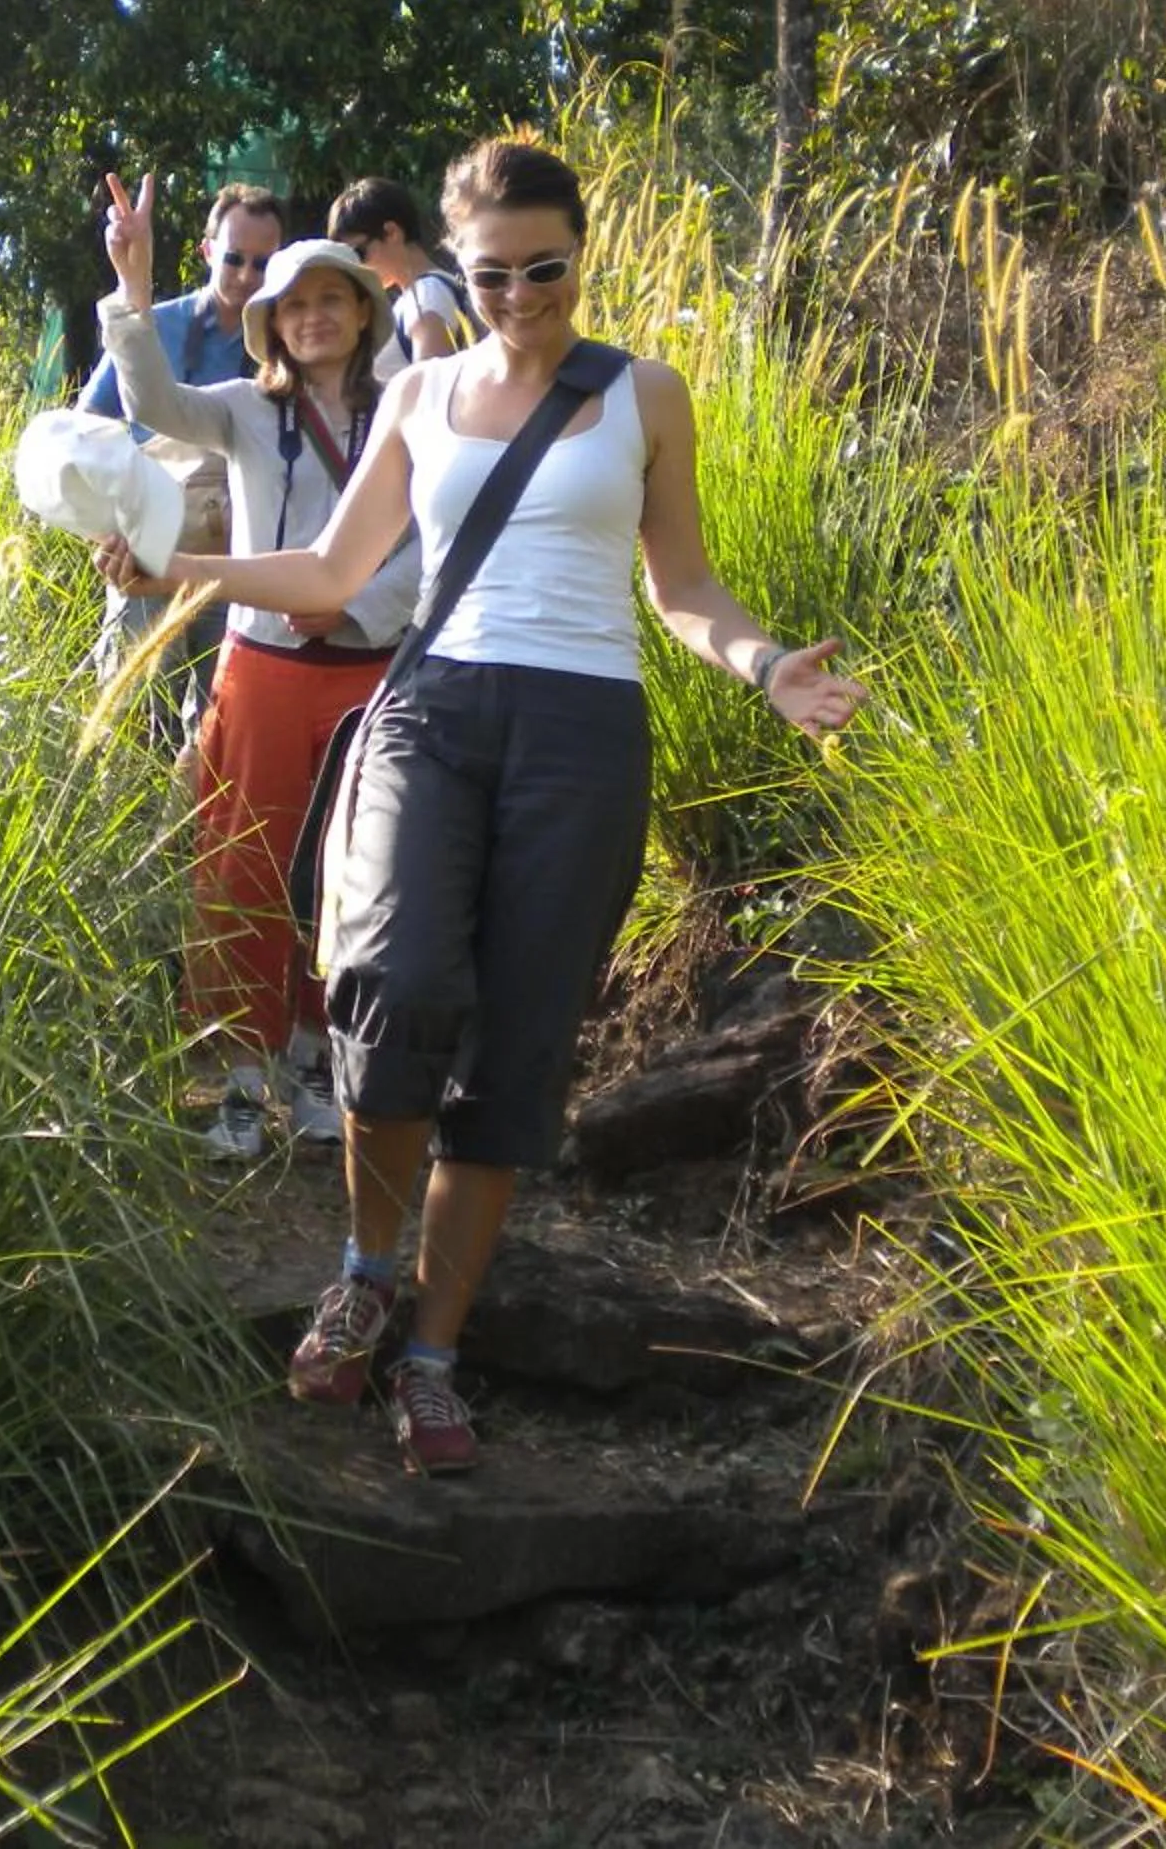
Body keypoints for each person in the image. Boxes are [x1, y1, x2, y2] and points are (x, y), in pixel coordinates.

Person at [100, 137, 865, 1476]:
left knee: (514, 1052)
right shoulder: (419, 394)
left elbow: (681, 583)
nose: (520, 296)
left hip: (581, 732)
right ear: (458, 265)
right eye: (494, 272)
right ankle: (361, 1269)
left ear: (581, 253)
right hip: (432, 712)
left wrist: (763, 664)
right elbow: (338, 564)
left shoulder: (643, 394)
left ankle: (435, 1349)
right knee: (386, 985)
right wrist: (185, 566)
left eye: (547, 269)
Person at [97, 167, 421, 1162]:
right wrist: (135, 282)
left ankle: (321, 1062)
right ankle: (239, 1077)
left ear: (364, 314)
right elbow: (151, 397)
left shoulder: (408, 407)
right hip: (262, 667)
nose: (314, 318)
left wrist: (353, 603)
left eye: (333, 300)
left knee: (350, 877)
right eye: (294, 305)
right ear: (268, 321)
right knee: (241, 866)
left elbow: (422, 542)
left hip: (369, 668)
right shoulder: (242, 408)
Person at [77, 182, 286, 752]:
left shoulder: (286, 345)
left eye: (263, 263)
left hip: (235, 563)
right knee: (132, 729)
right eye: (235, 258)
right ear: (206, 252)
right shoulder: (152, 323)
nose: (246, 275)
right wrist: (108, 529)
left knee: (220, 731)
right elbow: (89, 429)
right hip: (146, 548)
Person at [328, 177, 475, 366]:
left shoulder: (426, 295)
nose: (356, 266)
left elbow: (431, 385)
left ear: (391, 233)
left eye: (358, 253)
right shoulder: (425, 293)